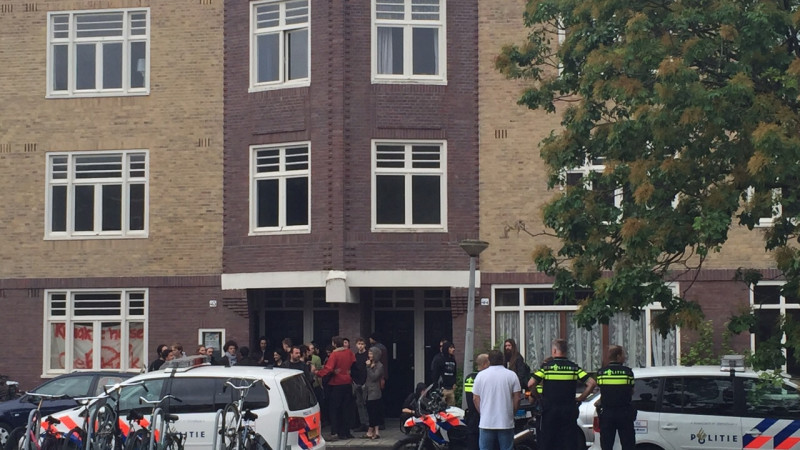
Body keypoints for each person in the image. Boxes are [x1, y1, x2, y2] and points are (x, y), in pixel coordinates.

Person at [529, 339, 597, 450]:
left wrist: (538, 397)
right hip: (568, 411)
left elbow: (531, 383)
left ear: (554, 351)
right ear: (565, 351)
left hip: (549, 411)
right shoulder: (574, 368)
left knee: (549, 443)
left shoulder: (547, 368)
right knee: (568, 443)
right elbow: (592, 383)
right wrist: (580, 398)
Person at [472, 350, 520, 450]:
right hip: (505, 422)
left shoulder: (480, 376)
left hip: (486, 422)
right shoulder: (512, 375)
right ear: (503, 360)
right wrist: (512, 413)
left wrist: (482, 412)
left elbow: (475, 398)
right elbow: (517, 398)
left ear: (489, 360)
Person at [316, 336, 356, 441]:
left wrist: (318, 373)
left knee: (334, 409)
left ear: (334, 344)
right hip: (347, 382)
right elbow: (353, 363)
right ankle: (346, 432)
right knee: (346, 408)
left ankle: (335, 432)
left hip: (337, 383)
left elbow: (328, 369)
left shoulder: (335, 354)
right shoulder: (349, 352)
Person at [596, 345, 635, 450]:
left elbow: (602, 389)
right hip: (624, 412)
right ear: (618, 356)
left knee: (606, 444)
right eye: (623, 355)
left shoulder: (601, 373)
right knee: (628, 444)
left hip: (607, 413)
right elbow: (631, 390)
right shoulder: (628, 372)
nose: (624, 357)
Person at [464, 353, 490, 450]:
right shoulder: (482, 378)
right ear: (485, 364)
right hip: (481, 418)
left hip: (472, 418)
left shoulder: (470, 378)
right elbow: (475, 399)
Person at [363, 346, 385, 439]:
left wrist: (368, 368)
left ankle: (371, 431)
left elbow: (374, 377)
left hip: (374, 391)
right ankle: (375, 431)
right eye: (369, 353)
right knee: (371, 411)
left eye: (371, 353)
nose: (369, 355)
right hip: (368, 391)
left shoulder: (380, 366)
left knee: (373, 411)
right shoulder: (369, 363)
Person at [350, 338, 370, 432]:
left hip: (365, 382)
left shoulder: (368, 356)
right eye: (359, 344)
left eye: (362, 344)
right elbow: (353, 369)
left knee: (366, 403)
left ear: (365, 345)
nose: (360, 346)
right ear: (356, 345)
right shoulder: (355, 356)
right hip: (356, 382)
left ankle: (369, 423)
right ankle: (363, 423)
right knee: (359, 404)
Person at [431, 341, 457, 406]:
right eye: (451, 348)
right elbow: (435, 373)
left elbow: (454, 373)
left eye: (453, 347)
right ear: (446, 348)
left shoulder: (453, 360)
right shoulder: (439, 359)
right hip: (442, 388)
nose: (453, 349)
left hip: (451, 388)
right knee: (441, 407)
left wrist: (454, 382)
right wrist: (436, 387)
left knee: (451, 407)